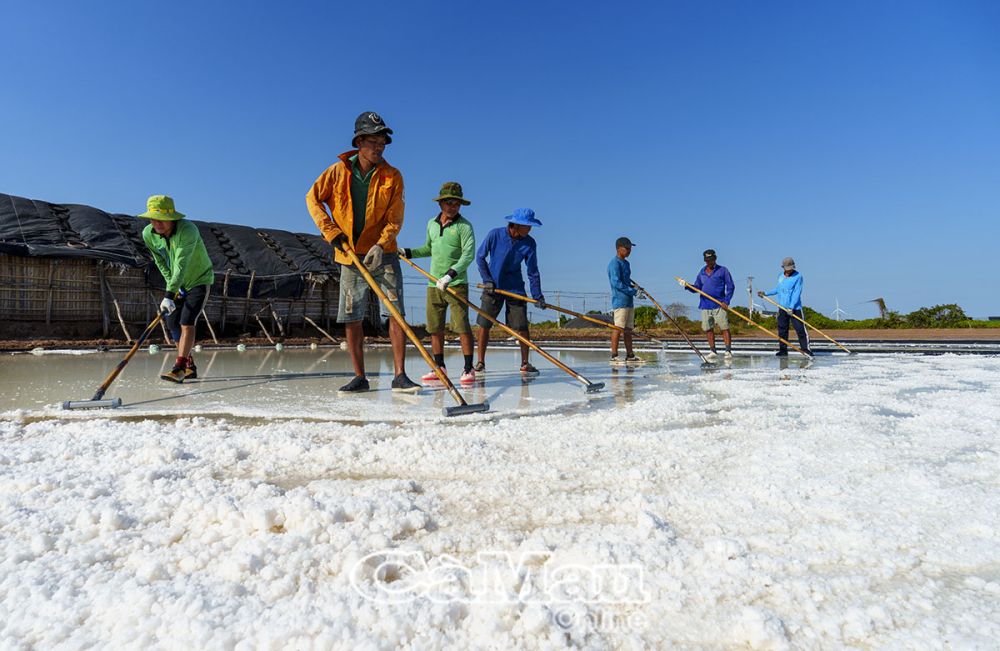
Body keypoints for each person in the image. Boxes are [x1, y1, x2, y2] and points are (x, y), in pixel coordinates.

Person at [306, 111, 419, 393]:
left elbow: (395, 217)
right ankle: (360, 376)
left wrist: (382, 244)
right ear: (359, 141)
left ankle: (400, 375)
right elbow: (312, 199)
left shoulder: (393, 176)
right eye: (373, 141)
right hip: (349, 256)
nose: (379, 147)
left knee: (395, 312)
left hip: (385, 254)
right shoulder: (336, 172)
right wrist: (331, 232)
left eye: (383, 142)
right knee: (351, 315)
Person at [399, 182, 477, 385]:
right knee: (435, 328)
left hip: (456, 283)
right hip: (433, 283)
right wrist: (407, 252)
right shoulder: (431, 224)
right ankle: (438, 366)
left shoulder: (465, 226)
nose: (453, 207)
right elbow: (428, 249)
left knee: (461, 326)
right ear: (441, 204)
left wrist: (450, 275)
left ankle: (469, 369)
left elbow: (468, 255)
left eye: (456, 204)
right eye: (449, 203)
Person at [137, 195, 215, 383]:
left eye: (161, 219)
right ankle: (189, 366)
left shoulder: (188, 231)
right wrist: (173, 288)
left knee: (187, 321)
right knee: (172, 324)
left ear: (172, 218)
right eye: (153, 219)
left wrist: (169, 294)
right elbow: (160, 262)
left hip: (199, 279)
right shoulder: (148, 234)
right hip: (177, 284)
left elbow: (181, 264)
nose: (157, 224)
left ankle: (179, 368)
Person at [474, 208, 546, 375]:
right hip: (493, 287)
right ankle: (480, 362)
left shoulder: (529, 243)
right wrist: (487, 280)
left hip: (515, 288)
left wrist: (537, 295)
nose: (530, 229)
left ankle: (525, 363)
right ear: (517, 224)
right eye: (527, 226)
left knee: (521, 326)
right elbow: (480, 257)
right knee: (484, 324)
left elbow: (533, 271)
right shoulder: (495, 235)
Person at [680, 248, 734, 361]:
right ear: (705, 260)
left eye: (711, 260)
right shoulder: (702, 272)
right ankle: (713, 350)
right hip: (705, 304)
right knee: (708, 328)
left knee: (724, 327)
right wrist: (687, 286)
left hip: (719, 304)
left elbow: (730, 286)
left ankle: (728, 350)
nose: (709, 262)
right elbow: (697, 288)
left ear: (715, 259)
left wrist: (726, 301)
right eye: (707, 260)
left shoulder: (723, 270)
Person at [759, 257, 813, 356]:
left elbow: (797, 292)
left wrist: (791, 307)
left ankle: (806, 349)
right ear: (783, 268)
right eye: (787, 269)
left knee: (800, 329)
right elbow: (778, 289)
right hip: (782, 308)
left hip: (795, 308)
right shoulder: (780, 276)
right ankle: (783, 350)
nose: (788, 271)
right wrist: (766, 293)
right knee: (782, 329)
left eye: (790, 269)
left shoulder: (798, 277)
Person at [607, 236, 639, 364]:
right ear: (619, 248)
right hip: (620, 301)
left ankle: (630, 355)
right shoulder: (614, 264)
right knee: (618, 328)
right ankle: (614, 355)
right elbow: (616, 283)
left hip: (629, 301)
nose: (629, 250)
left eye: (630, 248)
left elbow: (626, 281)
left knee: (628, 329)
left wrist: (635, 288)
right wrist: (633, 291)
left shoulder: (626, 263)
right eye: (627, 248)